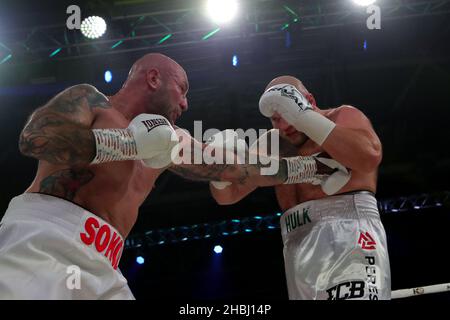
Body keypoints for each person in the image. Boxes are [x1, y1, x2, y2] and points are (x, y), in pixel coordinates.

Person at [0, 54, 343, 299]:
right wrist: (123, 144)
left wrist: (310, 168)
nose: (186, 103)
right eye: (182, 89)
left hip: (105, 261)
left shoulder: (171, 139)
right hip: (45, 236)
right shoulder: (90, 100)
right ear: (153, 78)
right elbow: (35, 139)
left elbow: (236, 169)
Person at [210, 75, 391, 300]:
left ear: (310, 101)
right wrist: (218, 169)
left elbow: (369, 157)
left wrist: (304, 117)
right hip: (297, 246)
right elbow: (227, 196)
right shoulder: (273, 142)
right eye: (276, 119)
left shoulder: (343, 116)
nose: (284, 126)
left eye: (288, 114)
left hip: (349, 235)